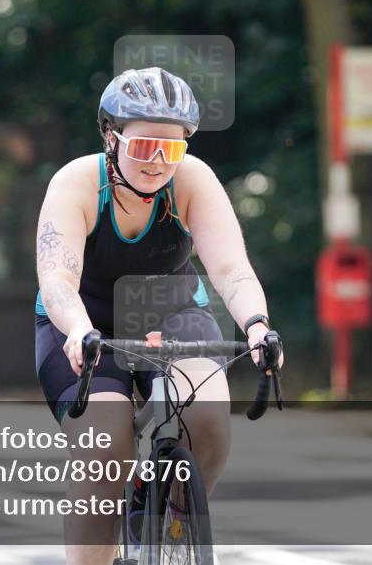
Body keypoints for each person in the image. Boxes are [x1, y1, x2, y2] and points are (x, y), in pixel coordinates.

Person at [34, 66, 285, 565]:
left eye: (171, 149)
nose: (157, 162)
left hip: (171, 310)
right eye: (144, 146)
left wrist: (257, 325)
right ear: (112, 137)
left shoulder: (192, 181)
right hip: (82, 323)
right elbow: (58, 281)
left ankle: (170, 528)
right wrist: (80, 329)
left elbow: (231, 267)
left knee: (209, 420)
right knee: (106, 446)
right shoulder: (77, 184)